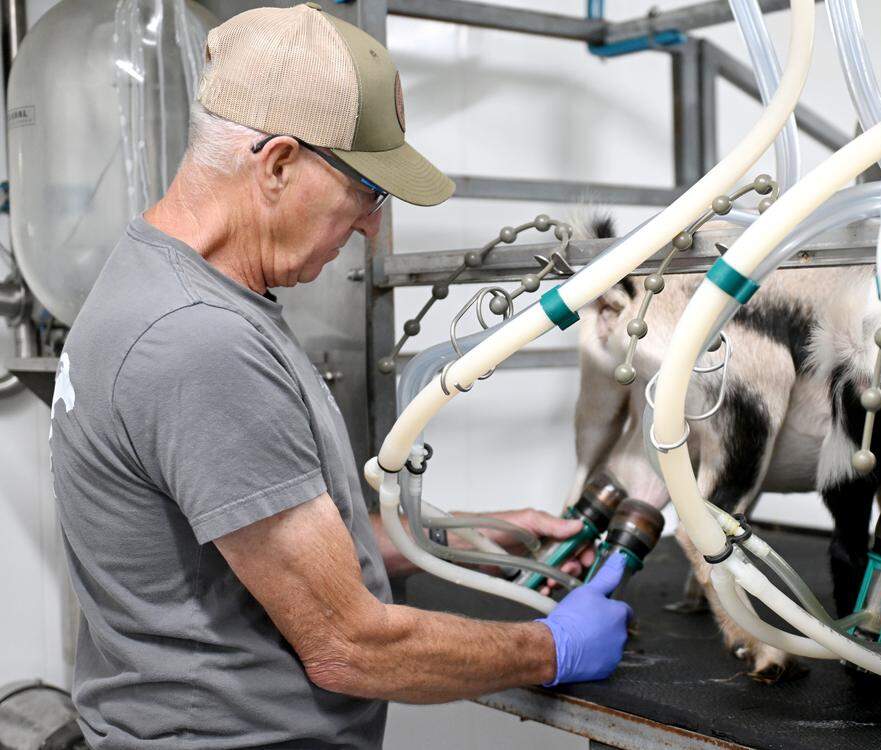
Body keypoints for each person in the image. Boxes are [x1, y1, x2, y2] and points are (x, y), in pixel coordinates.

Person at [48, 4, 631, 748]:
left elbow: (258, 549)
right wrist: (551, 648)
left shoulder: (160, 282)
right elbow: (349, 645)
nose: (371, 227)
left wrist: (470, 537)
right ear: (277, 164)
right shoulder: (197, 341)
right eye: (366, 190)